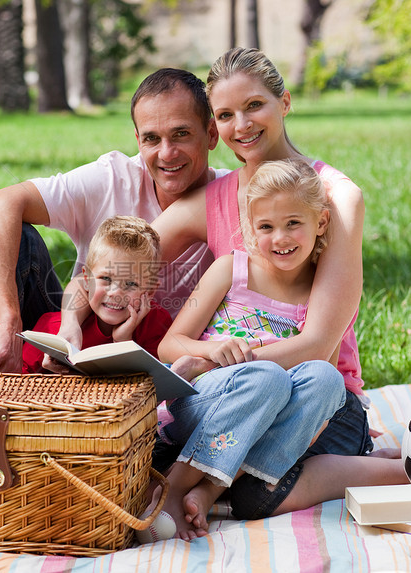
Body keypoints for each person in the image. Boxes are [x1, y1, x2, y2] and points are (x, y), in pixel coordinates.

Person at [146, 47, 411, 524]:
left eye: (254, 106)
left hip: (316, 402)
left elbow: (319, 345)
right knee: (255, 481)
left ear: (284, 102)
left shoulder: (338, 198)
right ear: (214, 127)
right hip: (228, 394)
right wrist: (77, 315)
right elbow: (129, 262)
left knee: (260, 484)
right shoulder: (214, 199)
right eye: (225, 115)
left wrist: (218, 364)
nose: (241, 125)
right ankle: (349, 471)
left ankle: (366, 469)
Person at [0, 68, 225, 375]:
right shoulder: (113, 178)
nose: (166, 153)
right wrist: (9, 321)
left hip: (158, 354)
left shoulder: (236, 198)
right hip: (77, 334)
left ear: (211, 134)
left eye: (181, 134)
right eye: (151, 139)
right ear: (137, 139)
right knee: (17, 239)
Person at [152, 159, 353, 540]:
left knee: (326, 380)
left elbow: (321, 388)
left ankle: (209, 489)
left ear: (321, 223)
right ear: (250, 227)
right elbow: (169, 345)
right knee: (265, 376)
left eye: (294, 223)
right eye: (266, 227)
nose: (280, 238)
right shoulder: (231, 270)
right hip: (203, 402)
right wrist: (213, 351)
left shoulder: (319, 294)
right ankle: (173, 490)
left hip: (265, 413)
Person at [22, 216, 171, 373]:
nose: (115, 293)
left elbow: (153, 387)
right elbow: (14, 382)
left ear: (150, 291)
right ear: (86, 279)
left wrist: (123, 342)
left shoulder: (156, 324)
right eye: (105, 278)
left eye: (131, 284)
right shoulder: (53, 329)